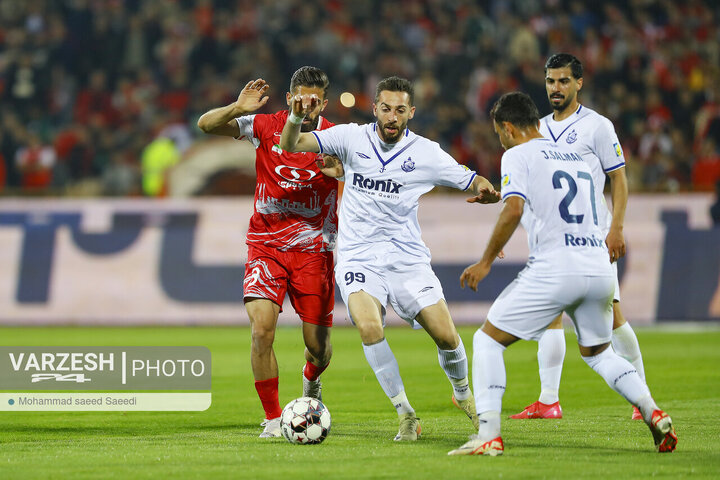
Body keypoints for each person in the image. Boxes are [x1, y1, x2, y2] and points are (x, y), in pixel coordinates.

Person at [448, 92, 677, 456]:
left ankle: (489, 434)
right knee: (599, 352)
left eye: (499, 134)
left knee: (487, 341)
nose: (500, 140)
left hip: (557, 266)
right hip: (599, 266)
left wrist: (486, 260)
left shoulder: (516, 154)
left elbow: (514, 209)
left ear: (507, 128)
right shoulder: (572, 157)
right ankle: (653, 411)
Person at [279, 76, 500, 441]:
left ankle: (463, 395)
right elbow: (291, 145)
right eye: (386, 109)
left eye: (400, 110)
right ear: (375, 109)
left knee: (446, 336)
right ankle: (406, 413)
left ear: (411, 112)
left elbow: (469, 178)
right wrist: (293, 117)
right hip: (358, 257)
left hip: (406, 259)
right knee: (370, 327)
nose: (392, 117)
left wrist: (484, 189)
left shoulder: (426, 152)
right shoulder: (351, 138)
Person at [197, 67, 338, 438]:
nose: (306, 107)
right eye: (300, 99)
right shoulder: (264, 126)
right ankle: (274, 419)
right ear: (290, 97)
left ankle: (311, 380)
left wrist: (343, 172)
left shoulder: (338, 138)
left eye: (314, 101)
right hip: (267, 246)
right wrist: (235, 107)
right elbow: (205, 125)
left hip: (314, 252)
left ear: (323, 103)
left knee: (318, 349)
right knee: (262, 331)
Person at [509, 53, 648, 421]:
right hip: (551, 238)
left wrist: (616, 228)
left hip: (592, 236)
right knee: (551, 316)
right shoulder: (537, 128)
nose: (556, 88)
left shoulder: (597, 127)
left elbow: (618, 178)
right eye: (551, 81)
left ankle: (641, 394)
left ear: (579, 83)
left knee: (613, 317)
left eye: (564, 81)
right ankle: (549, 400)